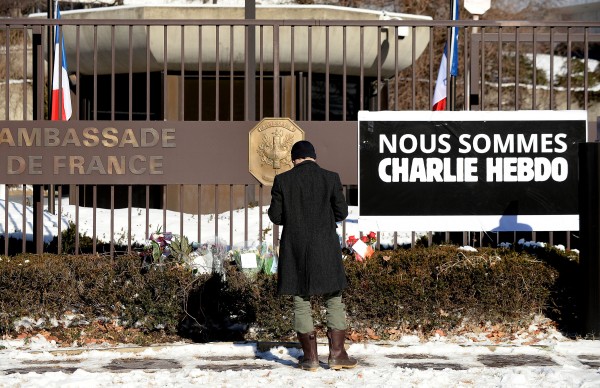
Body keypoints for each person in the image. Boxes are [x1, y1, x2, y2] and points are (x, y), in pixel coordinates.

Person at [268, 140, 358, 371]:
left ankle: (310, 358)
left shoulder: (283, 180)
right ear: (313, 157)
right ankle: (337, 354)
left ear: (294, 159)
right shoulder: (331, 177)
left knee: (301, 300)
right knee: (333, 299)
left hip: (295, 246)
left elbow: (276, 217)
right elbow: (341, 212)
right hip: (325, 244)